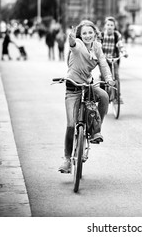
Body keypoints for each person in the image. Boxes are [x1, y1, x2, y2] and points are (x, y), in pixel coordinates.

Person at [58, 20, 115, 173]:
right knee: (71, 125)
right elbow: (73, 45)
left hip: (88, 85)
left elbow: (103, 63)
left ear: (95, 34)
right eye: (84, 33)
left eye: (90, 33)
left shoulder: (97, 47)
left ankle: (96, 130)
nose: (88, 36)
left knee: (103, 96)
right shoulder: (77, 44)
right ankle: (67, 160)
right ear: (80, 35)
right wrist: (70, 39)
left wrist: (108, 78)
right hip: (72, 86)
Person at [101, 17, 128, 103]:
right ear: (105, 26)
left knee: (116, 77)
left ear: (114, 26)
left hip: (113, 59)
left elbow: (120, 44)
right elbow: (97, 46)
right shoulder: (101, 35)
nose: (109, 26)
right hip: (103, 60)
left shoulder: (117, 35)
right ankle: (102, 97)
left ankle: (117, 97)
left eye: (111, 25)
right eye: (108, 24)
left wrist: (124, 52)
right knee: (103, 78)